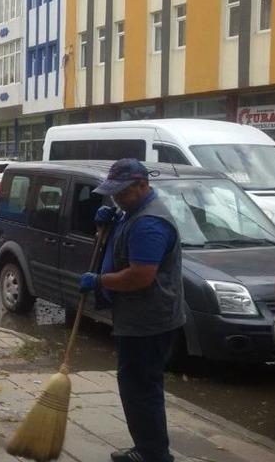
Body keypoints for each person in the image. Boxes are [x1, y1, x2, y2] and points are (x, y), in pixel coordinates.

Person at [79, 159, 185, 462]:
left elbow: (140, 276)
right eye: (112, 193)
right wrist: (107, 226)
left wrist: (99, 281)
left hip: (149, 322)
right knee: (138, 385)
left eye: (121, 193)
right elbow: (122, 248)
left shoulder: (149, 222)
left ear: (142, 185)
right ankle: (149, 448)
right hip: (140, 318)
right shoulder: (133, 212)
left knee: (140, 388)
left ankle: (153, 454)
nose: (116, 199)